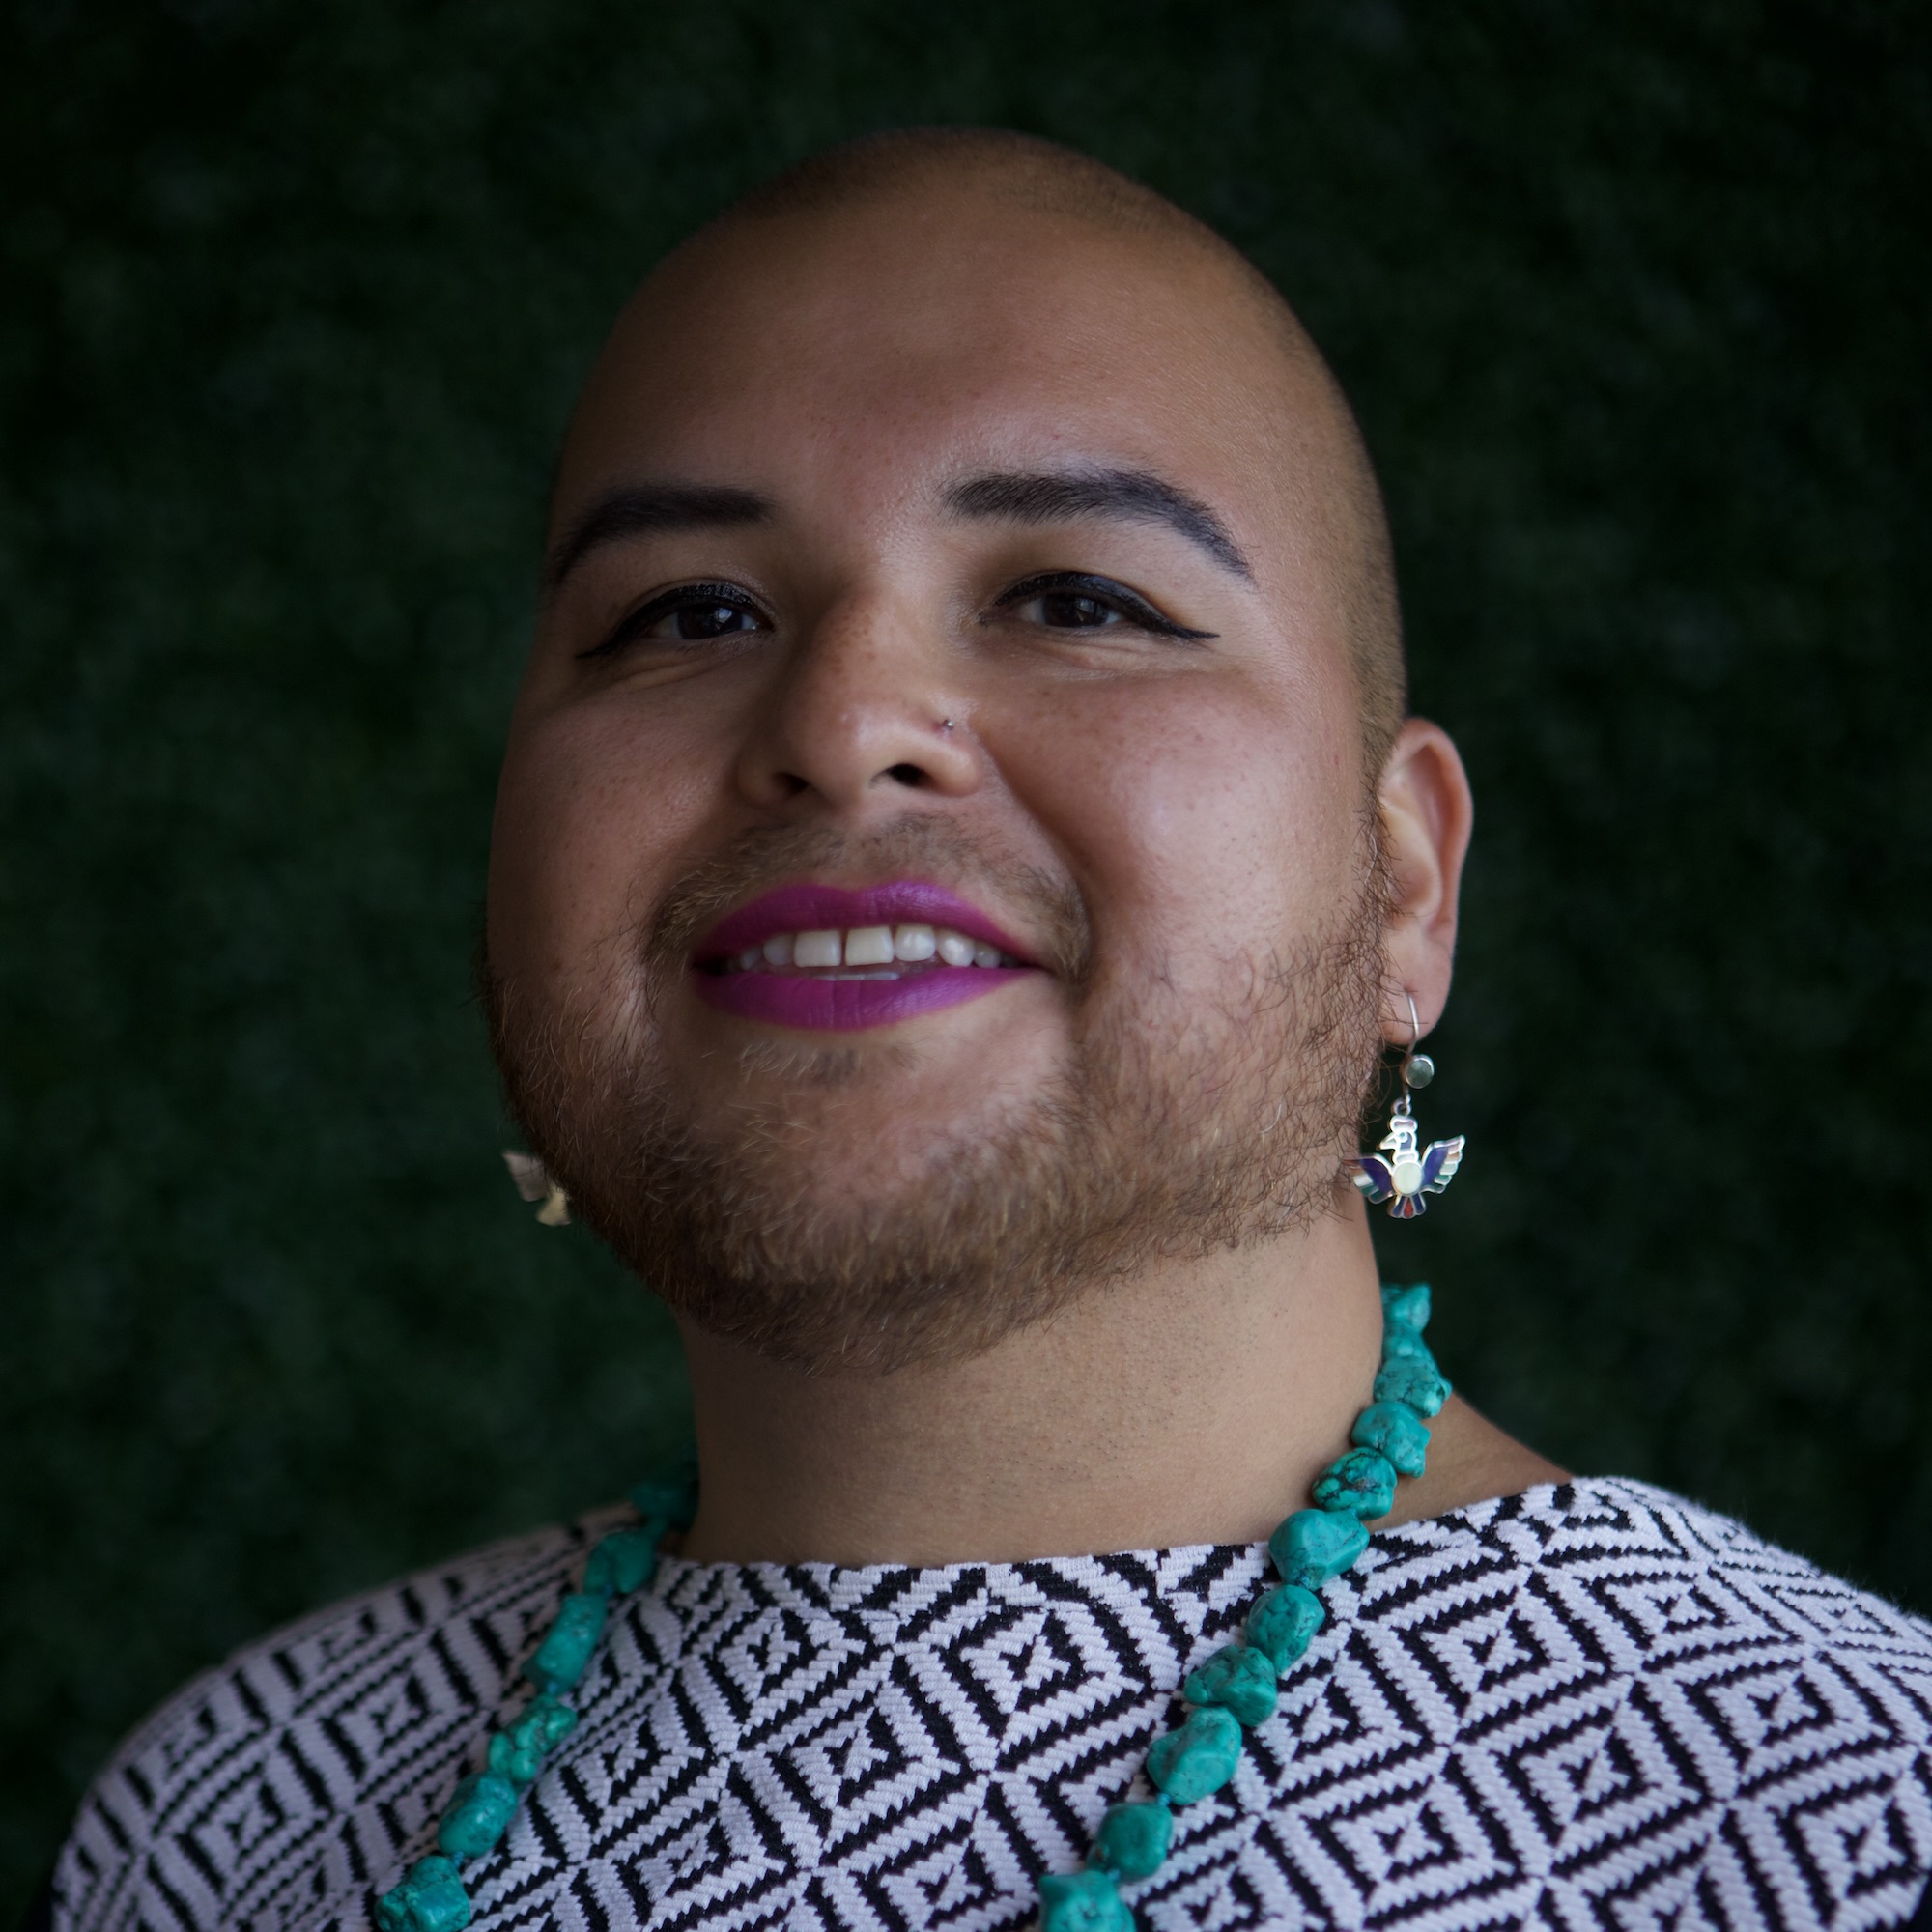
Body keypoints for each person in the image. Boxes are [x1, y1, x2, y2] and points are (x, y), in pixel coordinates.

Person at [43, 129, 1932, 1932]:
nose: (846, 716)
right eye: (687, 609)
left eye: (1077, 597)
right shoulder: (224, 1816)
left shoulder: (1840, 1821)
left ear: (1404, 891)